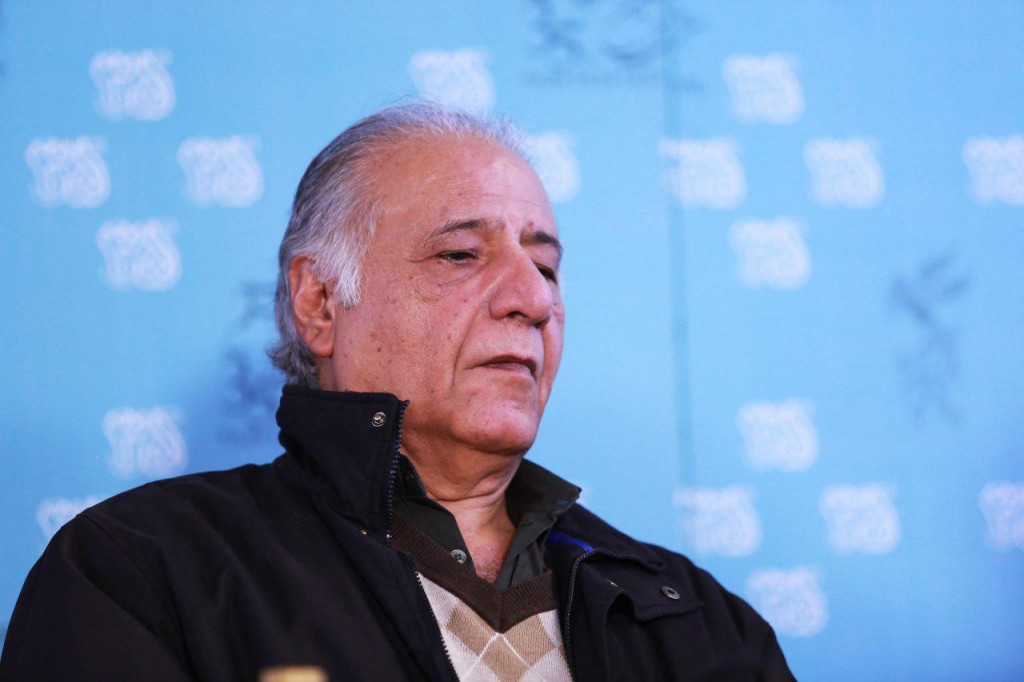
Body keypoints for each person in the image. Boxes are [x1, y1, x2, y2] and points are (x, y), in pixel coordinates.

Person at [0, 103, 794, 681]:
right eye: (460, 255)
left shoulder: (696, 619)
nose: (533, 298)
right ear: (320, 302)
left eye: (547, 266)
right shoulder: (143, 575)